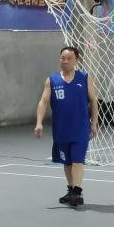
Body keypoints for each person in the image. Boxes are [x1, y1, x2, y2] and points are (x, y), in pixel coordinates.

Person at [34, 46, 98, 207]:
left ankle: (77, 192)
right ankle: (71, 190)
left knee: (77, 160)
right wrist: (39, 122)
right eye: (63, 58)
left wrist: (94, 123)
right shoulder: (52, 80)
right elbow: (43, 102)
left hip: (80, 128)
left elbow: (93, 101)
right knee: (67, 162)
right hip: (61, 129)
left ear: (77, 60)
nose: (65, 61)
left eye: (69, 58)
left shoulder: (84, 78)